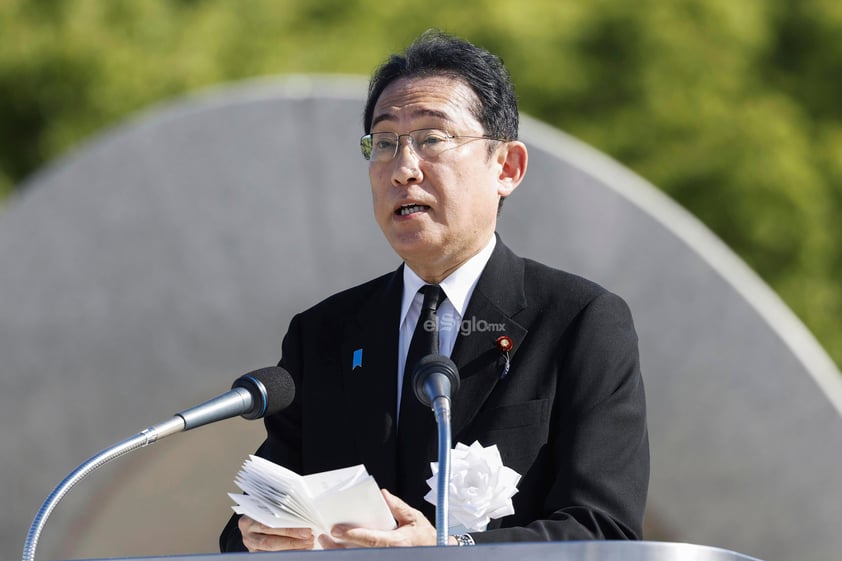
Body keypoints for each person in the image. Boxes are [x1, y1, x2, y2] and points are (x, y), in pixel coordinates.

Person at [219, 29, 649, 552]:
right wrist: (261, 535)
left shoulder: (579, 321)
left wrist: (449, 551)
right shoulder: (323, 334)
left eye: (432, 139)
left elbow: (604, 533)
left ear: (506, 167)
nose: (403, 169)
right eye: (384, 144)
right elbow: (248, 526)